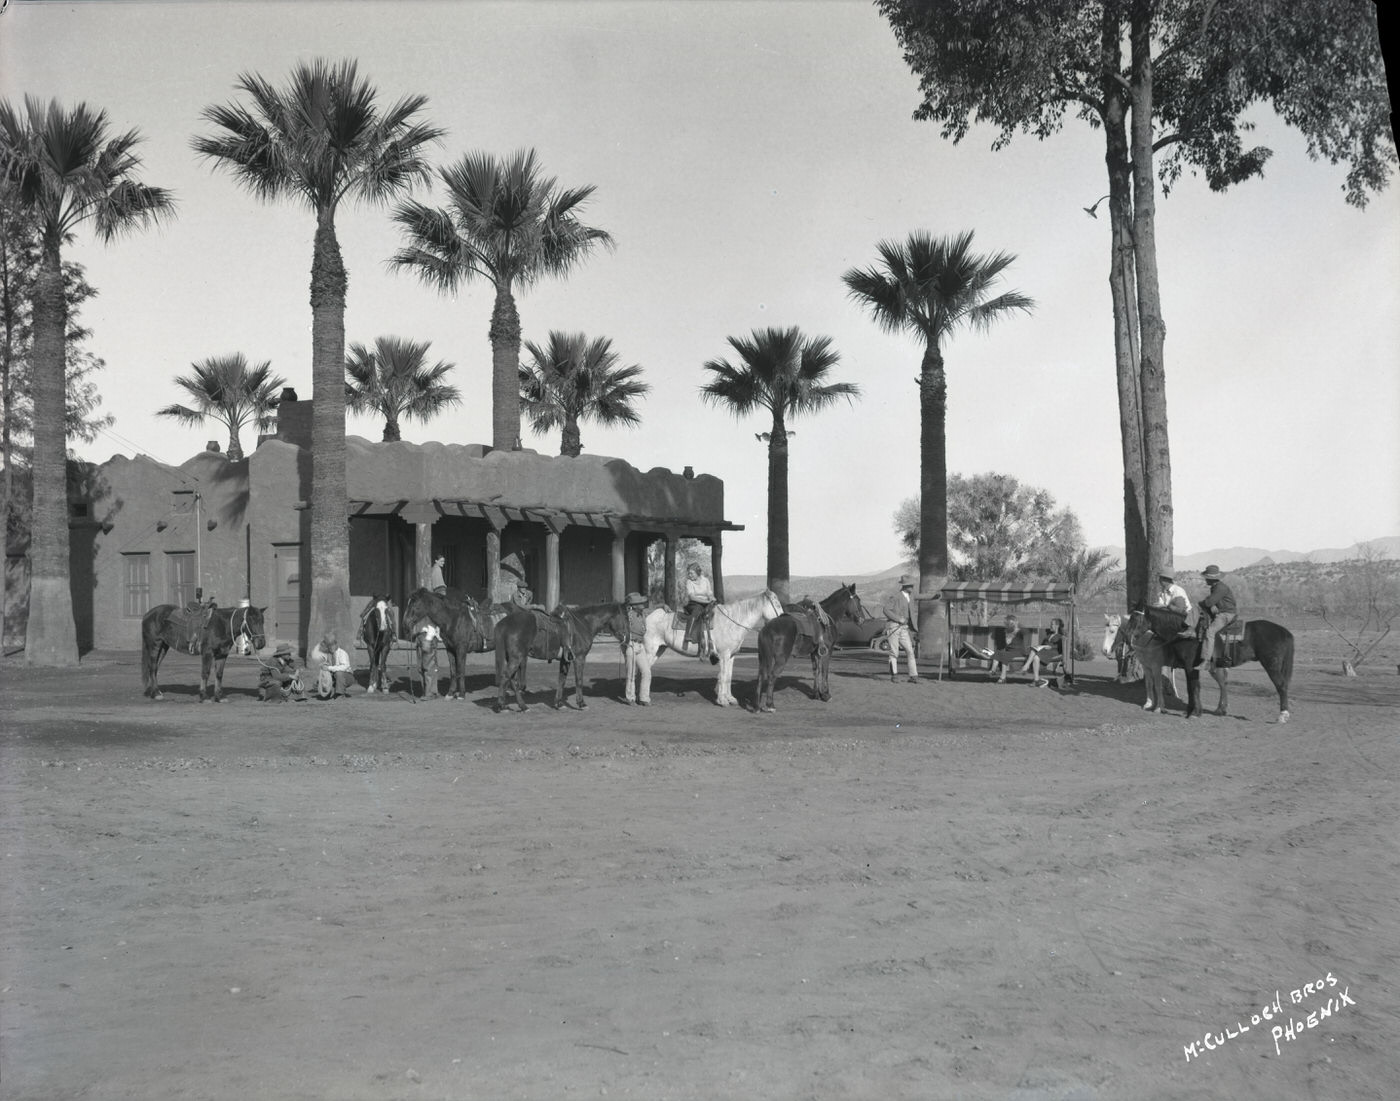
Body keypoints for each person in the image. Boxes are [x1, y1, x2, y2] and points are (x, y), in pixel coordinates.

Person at [1197, 564, 1238, 670]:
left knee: (1210, 632)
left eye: (1206, 577)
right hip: (1222, 611)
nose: (1205, 579)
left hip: (1226, 614)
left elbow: (1208, 602)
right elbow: (1211, 602)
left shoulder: (1220, 588)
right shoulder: (1216, 587)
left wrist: (1202, 603)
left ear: (1211, 579)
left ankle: (1206, 661)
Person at [881, 575, 919, 684]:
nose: (912, 587)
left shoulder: (910, 596)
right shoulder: (896, 596)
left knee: (910, 651)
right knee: (894, 652)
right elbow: (886, 610)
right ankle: (894, 675)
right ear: (905, 586)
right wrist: (898, 619)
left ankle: (913, 676)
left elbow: (922, 596)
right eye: (910, 585)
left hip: (903, 629)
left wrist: (936, 596)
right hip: (893, 626)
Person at [620, 591, 652, 705]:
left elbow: (652, 609)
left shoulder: (642, 613)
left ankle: (644, 698)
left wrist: (663, 605)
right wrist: (625, 641)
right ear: (634, 605)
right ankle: (630, 697)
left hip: (640, 645)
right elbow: (621, 630)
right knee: (631, 673)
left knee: (646, 672)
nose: (643, 604)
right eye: (640, 603)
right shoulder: (627, 615)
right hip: (631, 644)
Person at [1019, 617, 1066, 687]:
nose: (1050, 626)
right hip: (1044, 651)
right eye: (1051, 624)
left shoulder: (1060, 637)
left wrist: (1050, 647)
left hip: (1053, 652)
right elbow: (1043, 644)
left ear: (1057, 626)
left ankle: (1026, 666)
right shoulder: (1049, 635)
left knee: (1034, 651)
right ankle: (1036, 680)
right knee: (1035, 656)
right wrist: (1043, 646)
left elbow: (1061, 647)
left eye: (1052, 624)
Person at [309, 630, 354, 699]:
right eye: (329, 646)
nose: (331, 647)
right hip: (335, 676)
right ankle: (330, 691)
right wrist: (324, 666)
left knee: (338, 673)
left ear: (336, 644)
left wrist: (329, 668)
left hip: (347, 677)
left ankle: (340, 694)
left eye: (332, 645)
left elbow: (345, 667)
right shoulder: (328, 655)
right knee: (325, 673)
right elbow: (316, 656)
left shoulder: (342, 653)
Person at [682, 563, 715, 656]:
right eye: (688, 574)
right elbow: (692, 597)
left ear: (698, 572)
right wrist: (705, 602)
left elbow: (709, 593)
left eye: (691, 573)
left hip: (706, 603)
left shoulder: (705, 581)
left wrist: (712, 598)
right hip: (694, 604)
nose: (689, 575)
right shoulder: (689, 582)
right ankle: (688, 635)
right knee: (696, 611)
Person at [990, 614, 1031, 684]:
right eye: (1008, 623)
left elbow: (1026, 633)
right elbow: (1007, 643)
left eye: (1011, 623)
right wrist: (1009, 634)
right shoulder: (1007, 631)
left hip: (1018, 651)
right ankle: (993, 670)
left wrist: (1016, 630)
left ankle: (1003, 678)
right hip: (1010, 651)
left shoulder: (1021, 631)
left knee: (1004, 655)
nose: (1009, 625)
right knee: (997, 652)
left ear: (1015, 622)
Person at [414, 622, 440, 699]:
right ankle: (426, 691)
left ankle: (431, 692)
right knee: (420, 667)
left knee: (429, 666)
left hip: (429, 635)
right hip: (419, 637)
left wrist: (429, 636)